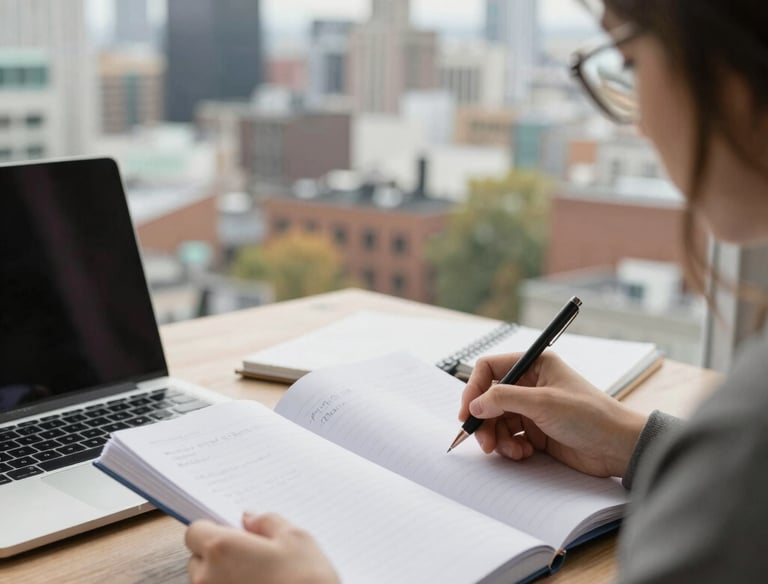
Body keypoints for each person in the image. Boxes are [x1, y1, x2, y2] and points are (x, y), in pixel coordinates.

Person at [184, 0, 768, 582]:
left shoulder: (747, 424)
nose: (636, 121)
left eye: (631, 62)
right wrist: (631, 441)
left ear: (731, 70)